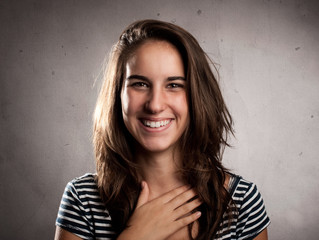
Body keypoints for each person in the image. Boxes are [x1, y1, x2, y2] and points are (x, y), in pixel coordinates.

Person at [54, 19, 270, 240]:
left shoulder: (241, 202)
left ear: (197, 95)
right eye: (140, 84)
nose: (155, 105)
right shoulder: (82, 200)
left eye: (174, 85)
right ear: (117, 94)